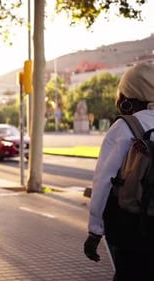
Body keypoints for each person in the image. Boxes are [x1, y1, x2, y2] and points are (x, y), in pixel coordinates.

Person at [84, 62, 154, 280]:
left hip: (133, 227)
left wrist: (95, 231)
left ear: (128, 95)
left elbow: (104, 181)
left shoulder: (125, 127)